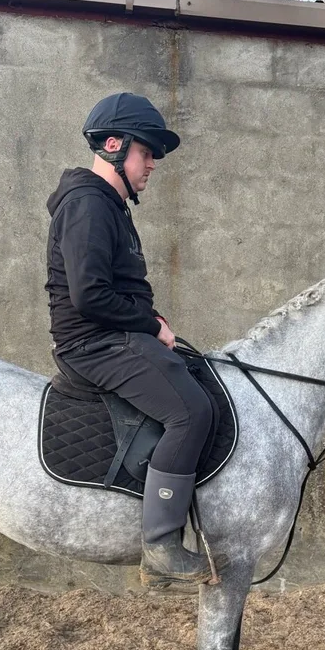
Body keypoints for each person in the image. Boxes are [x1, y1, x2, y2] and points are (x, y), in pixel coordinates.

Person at [45, 92, 216, 586]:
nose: (152, 165)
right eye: (146, 153)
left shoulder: (110, 207)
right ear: (114, 146)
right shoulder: (88, 205)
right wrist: (150, 326)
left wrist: (153, 319)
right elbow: (90, 297)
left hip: (113, 335)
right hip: (93, 344)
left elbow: (118, 289)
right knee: (190, 411)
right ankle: (161, 543)